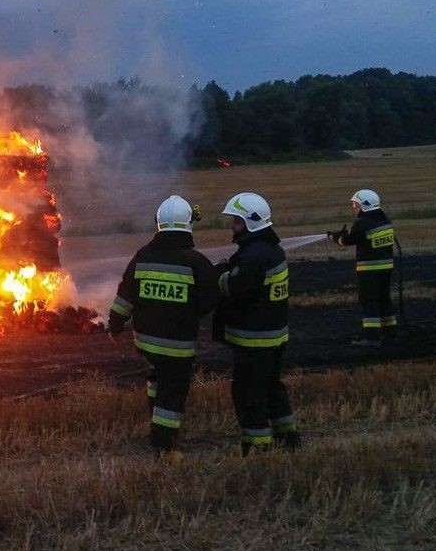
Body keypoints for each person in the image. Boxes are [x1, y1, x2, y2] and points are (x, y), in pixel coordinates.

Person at [108, 195, 219, 454]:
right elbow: (208, 301)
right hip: (177, 345)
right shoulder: (195, 261)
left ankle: (156, 423)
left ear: (158, 223)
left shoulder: (142, 255)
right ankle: (163, 445)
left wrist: (115, 324)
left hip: (145, 341)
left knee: (157, 378)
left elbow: (125, 295)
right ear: (188, 224)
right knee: (173, 391)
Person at [215, 192, 300, 455]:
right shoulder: (272, 250)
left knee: (248, 393)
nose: (233, 226)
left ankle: (256, 448)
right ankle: (288, 438)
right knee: (272, 387)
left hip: (253, 339)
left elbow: (236, 288)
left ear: (251, 222)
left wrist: (221, 275)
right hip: (273, 336)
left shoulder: (253, 255)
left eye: (237, 222)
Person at [328, 188, 397, 347]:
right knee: (384, 299)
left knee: (369, 300)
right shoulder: (385, 221)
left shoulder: (362, 223)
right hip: (387, 267)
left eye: (356, 205)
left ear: (365, 205)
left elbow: (346, 241)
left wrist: (335, 237)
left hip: (369, 269)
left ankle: (372, 338)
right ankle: (390, 333)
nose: (354, 208)